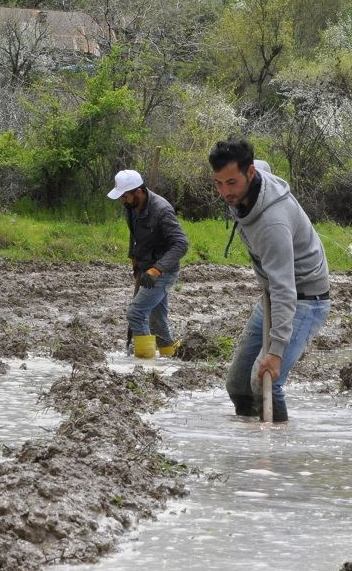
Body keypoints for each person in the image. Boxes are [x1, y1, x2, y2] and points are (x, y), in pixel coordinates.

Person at [210, 140, 330, 423]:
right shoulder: (250, 180)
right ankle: (250, 448)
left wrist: (275, 353)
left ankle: (277, 453)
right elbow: (264, 164)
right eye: (218, 183)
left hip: (304, 299)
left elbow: (284, 289)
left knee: (265, 380)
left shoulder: (272, 224)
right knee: (238, 385)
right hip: (273, 295)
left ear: (250, 174)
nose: (225, 192)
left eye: (231, 183)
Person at [107, 168, 189, 358]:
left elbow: (181, 243)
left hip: (163, 270)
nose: (123, 200)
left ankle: (145, 365)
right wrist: (134, 260)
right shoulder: (131, 207)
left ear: (139, 191)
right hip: (145, 267)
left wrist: (157, 269)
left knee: (136, 313)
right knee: (157, 320)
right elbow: (134, 236)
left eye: (125, 196)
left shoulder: (162, 210)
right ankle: (171, 356)